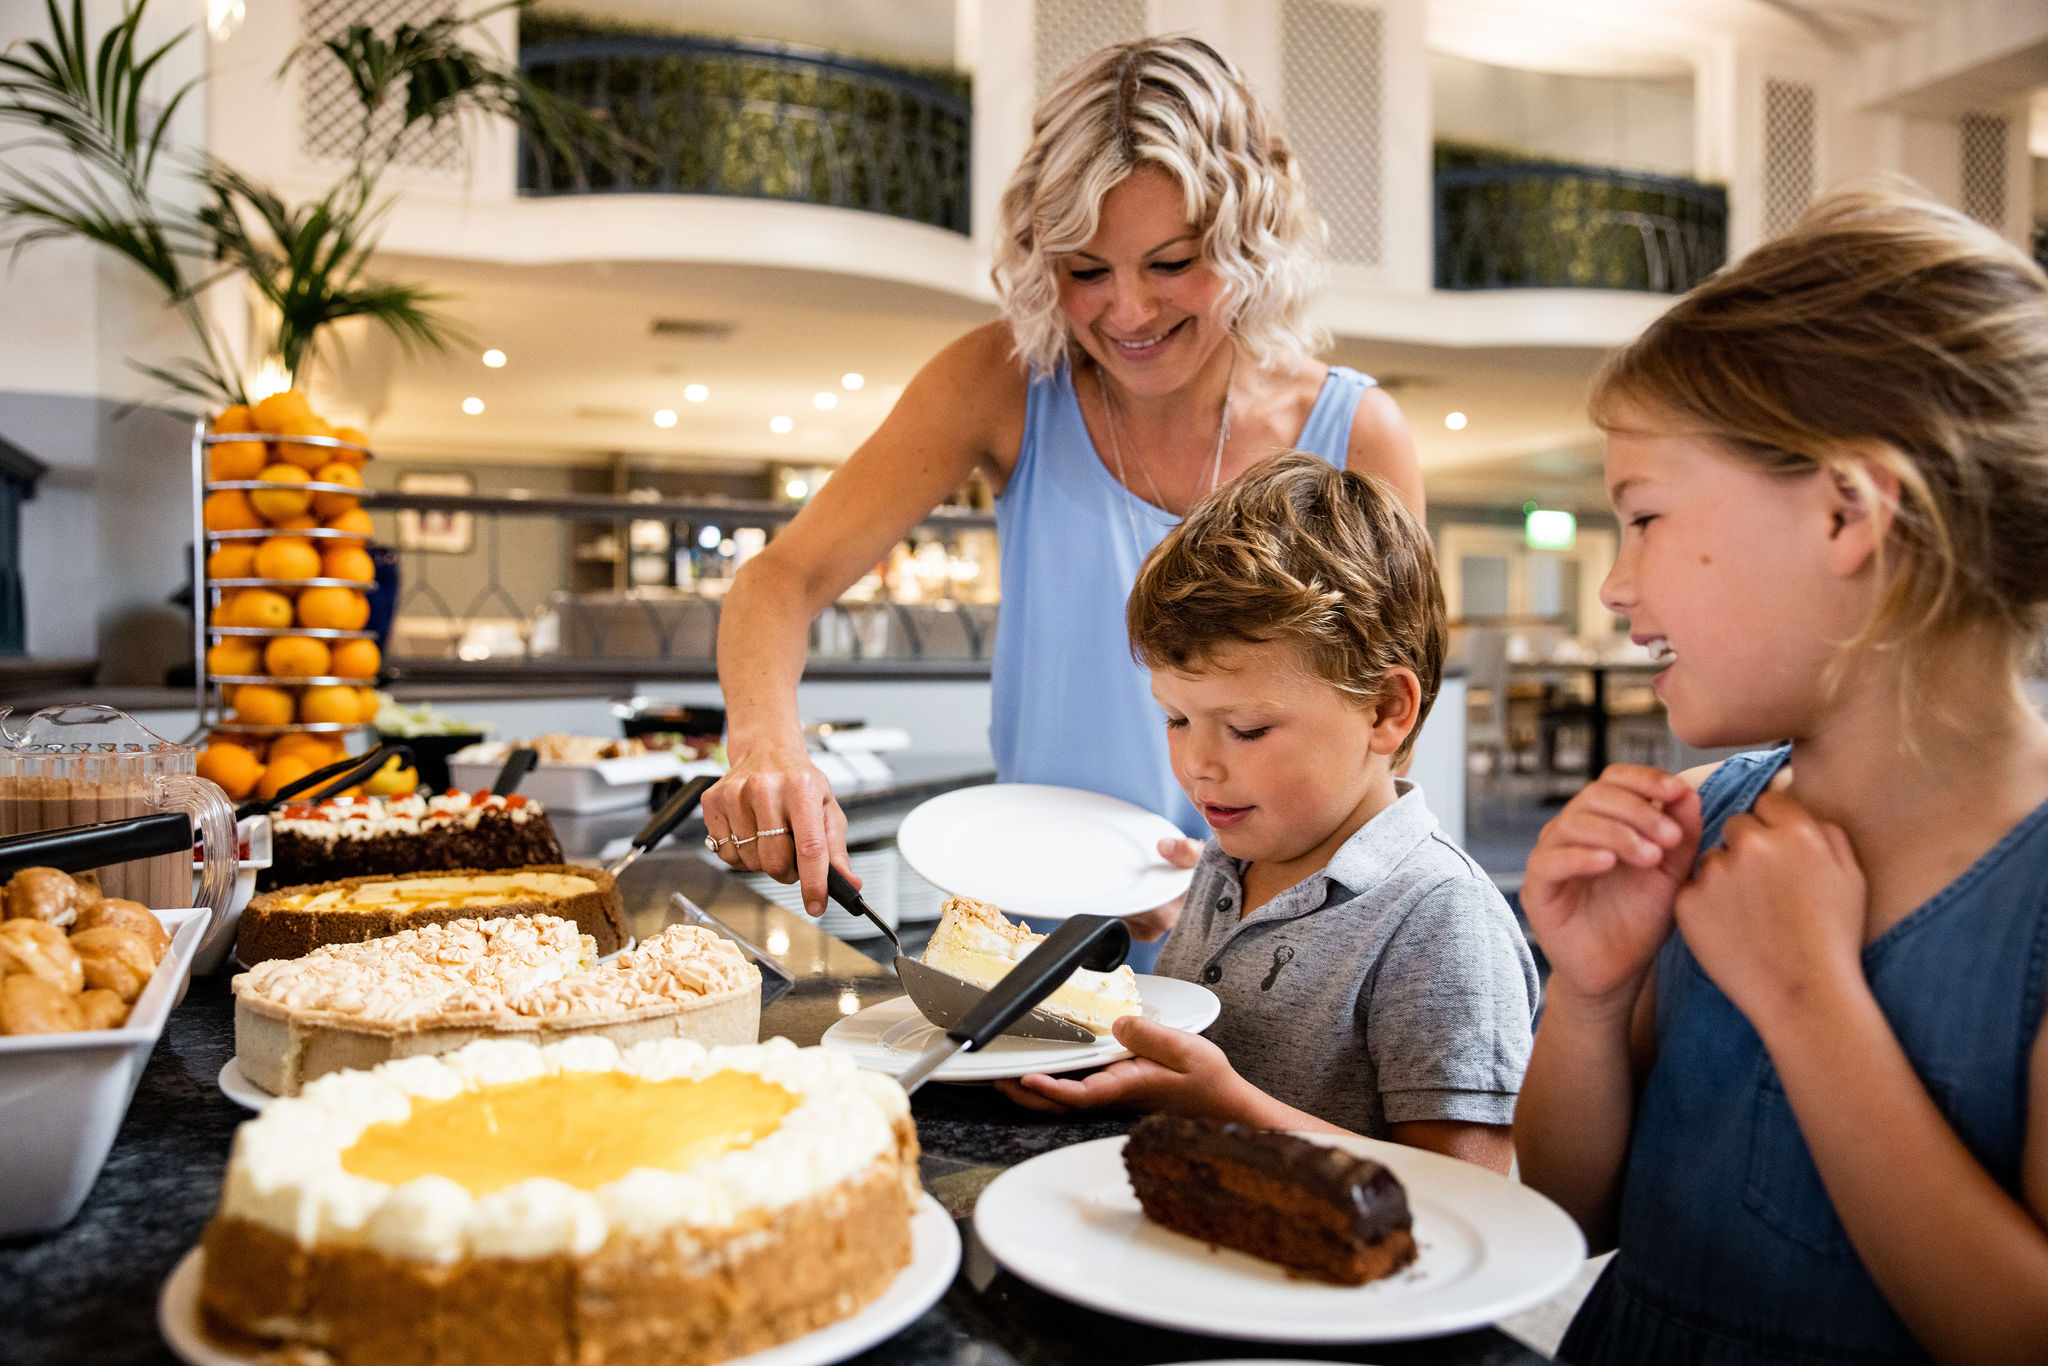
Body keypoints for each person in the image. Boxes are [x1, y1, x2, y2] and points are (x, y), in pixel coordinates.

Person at [702, 37, 1421, 942]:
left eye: (1171, 264)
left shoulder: (1358, 432)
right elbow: (781, 579)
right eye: (1086, 270)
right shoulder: (1004, 382)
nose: (1125, 312)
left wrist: (1238, 876)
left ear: (1252, 239)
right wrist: (768, 748)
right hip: (1031, 939)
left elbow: (1384, 742)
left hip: (1273, 937)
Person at [1514, 188, 2048, 1364]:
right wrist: (1590, 997)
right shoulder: (1704, 822)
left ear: (1848, 511)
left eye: (1643, 516)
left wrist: (1806, 995)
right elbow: (1559, 1215)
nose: (1612, 586)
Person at [997, 452, 1538, 1173]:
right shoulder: (1230, 853)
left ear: (1386, 710)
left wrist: (1230, 1110)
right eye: (1176, 720)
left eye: (1247, 729)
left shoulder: (1442, 918)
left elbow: (1472, 1194)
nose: (1198, 765)